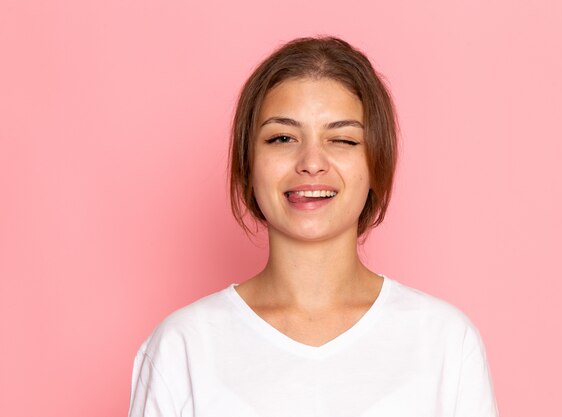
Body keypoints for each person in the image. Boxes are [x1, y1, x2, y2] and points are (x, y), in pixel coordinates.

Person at [128, 36, 499, 417]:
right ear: (248, 164)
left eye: (341, 139)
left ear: (376, 165)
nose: (311, 162)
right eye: (283, 138)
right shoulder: (182, 348)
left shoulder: (444, 342)